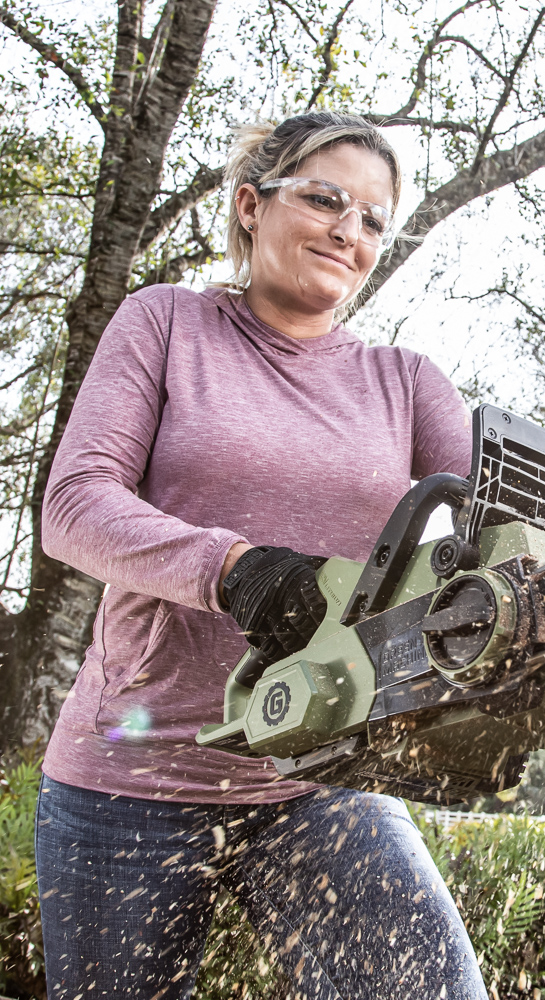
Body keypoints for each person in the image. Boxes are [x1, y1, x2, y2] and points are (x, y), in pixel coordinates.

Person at [35, 112, 487, 1000]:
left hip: (323, 770)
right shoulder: (165, 323)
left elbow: (496, 511)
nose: (347, 232)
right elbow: (74, 506)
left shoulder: (404, 380)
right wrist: (234, 569)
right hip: (130, 780)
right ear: (251, 206)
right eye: (325, 200)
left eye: (370, 221)